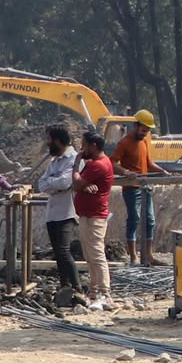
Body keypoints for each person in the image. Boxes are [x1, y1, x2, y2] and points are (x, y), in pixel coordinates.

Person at [37, 125, 81, 304]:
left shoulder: (74, 159)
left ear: (57, 140)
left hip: (67, 211)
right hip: (53, 213)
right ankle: (65, 286)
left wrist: (51, 183)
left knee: (64, 251)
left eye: (49, 139)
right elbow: (41, 184)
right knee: (58, 252)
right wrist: (53, 184)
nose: (47, 143)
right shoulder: (54, 162)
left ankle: (76, 287)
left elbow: (65, 182)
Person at [113, 110, 160, 267]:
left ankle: (148, 256)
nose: (145, 133)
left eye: (147, 131)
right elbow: (111, 163)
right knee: (134, 220)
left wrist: (162, 171)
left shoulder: (144, 142)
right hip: (131, 188)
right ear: (136, 126)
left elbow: (148, 164)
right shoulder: (124, 143)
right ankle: (133, 257)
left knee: (150, 220)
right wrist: (125, 172)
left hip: (145, 187)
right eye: (143, 130)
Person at [74, 130, 114, 309]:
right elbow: (80, 184)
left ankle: (105, 293)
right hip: (87, 215)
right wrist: (84, 184)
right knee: (89, 255)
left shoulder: (99, 164)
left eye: (84, 145)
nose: (82, 149)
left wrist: (76, 164)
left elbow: (75, 183)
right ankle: (93, 290)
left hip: (95, 216)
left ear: (94, 146)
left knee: (97, 255)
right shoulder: (93, 164)